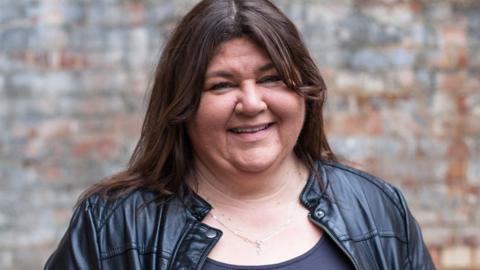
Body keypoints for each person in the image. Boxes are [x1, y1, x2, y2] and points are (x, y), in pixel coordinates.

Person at [44, 0, 435, 269]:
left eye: (271, 79)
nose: (251, 102)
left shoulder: (377, 209)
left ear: (304, 91)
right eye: (221, 85)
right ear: (181, 105)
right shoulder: (113, 226)